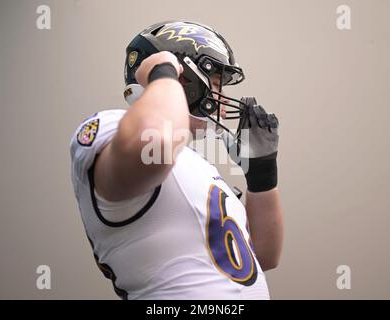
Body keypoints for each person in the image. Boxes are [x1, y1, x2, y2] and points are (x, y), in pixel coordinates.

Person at [70, 20, 283, 300]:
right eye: (216, 83)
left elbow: (264, 258)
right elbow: (158, 142)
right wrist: (163, 73)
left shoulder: (196, 163)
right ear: (185, 78)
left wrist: (261, 176)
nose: (222, 98)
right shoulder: (110, 126)